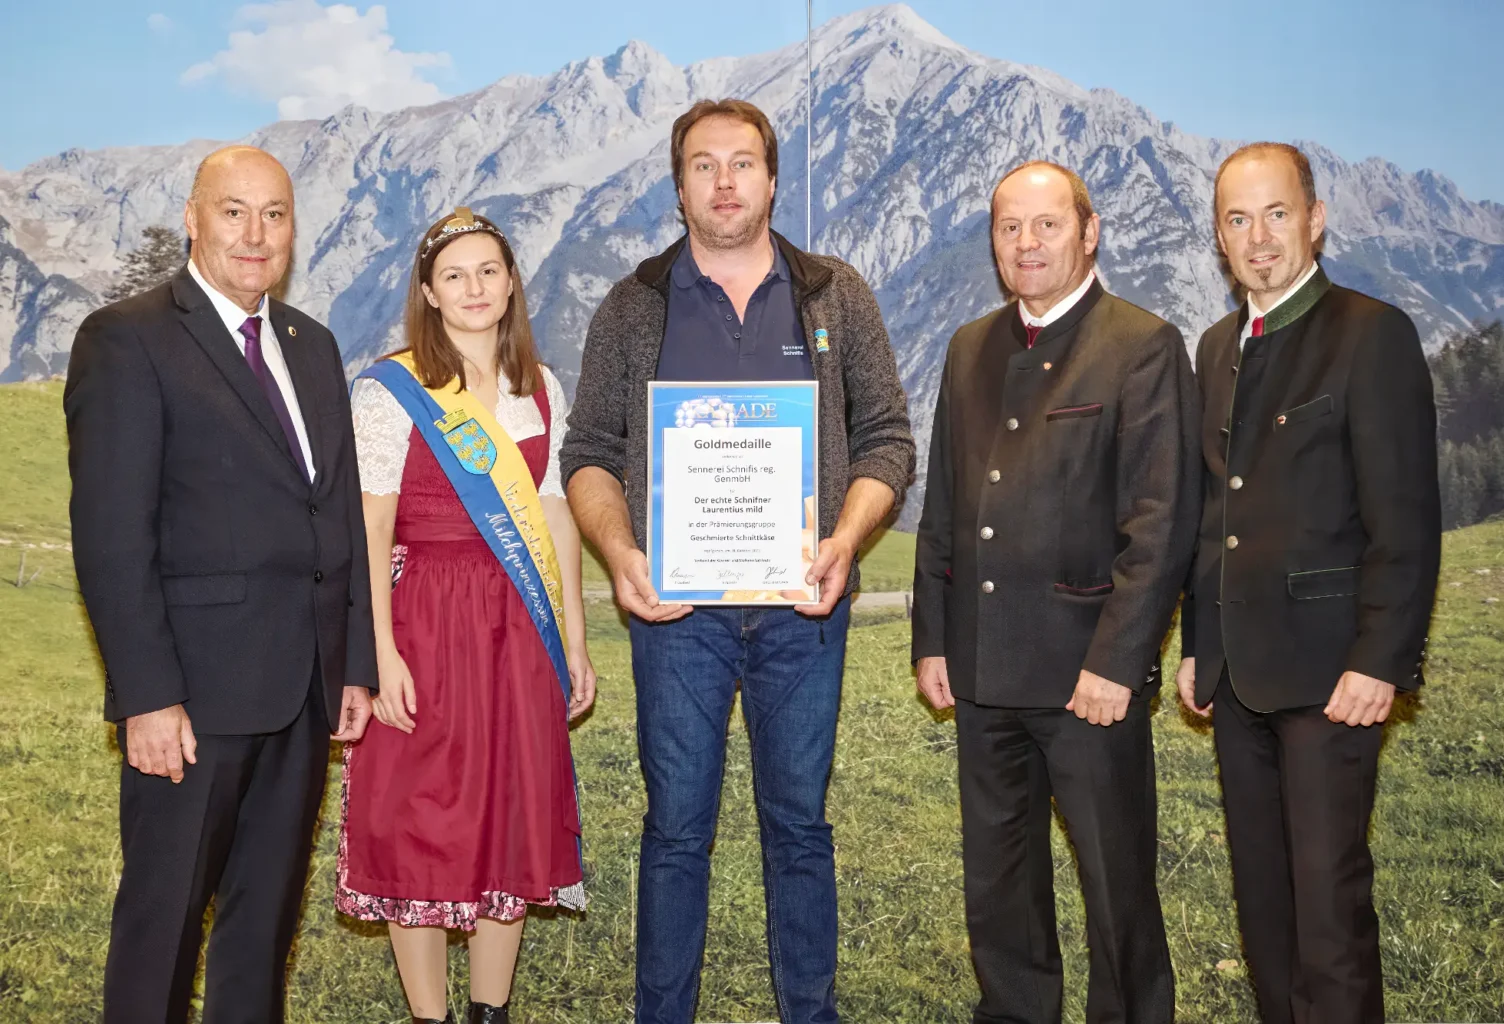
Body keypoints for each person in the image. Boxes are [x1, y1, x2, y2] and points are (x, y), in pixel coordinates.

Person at [560, 99, 914, 1024]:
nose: (725, 182)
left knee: (799, 829)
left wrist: (846, 538)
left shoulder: (835, 293)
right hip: (679, 618)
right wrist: (622, 550)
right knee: (676, 831)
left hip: (805, 610)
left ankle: (812, 1013)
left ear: (771, 177)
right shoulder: (633, 303)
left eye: (743, 163)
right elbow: (590, 450)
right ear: (679, 187)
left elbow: (886, 438)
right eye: (705, 165)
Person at [64, 145, 376, 1022]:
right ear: (194, 218)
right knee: (162, 929)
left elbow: (338, 514)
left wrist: (352, 663)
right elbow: (112, 540)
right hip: (192, 703)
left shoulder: (310, 345)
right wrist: (147, 697)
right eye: (234, 211)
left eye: (274, 214)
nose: (255, 233)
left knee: (262, 929)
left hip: (303, 695)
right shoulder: (127, 338)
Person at [912, 161, 1200, 1024]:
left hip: (1089, 680)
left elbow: (1162, 523)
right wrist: (933, 637)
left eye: (1045, 225)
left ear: (1089, 230)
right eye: (1009, 228)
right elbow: (946, 508)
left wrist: (1118, 662)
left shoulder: (1141, 345)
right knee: (998, 883)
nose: (1026, 244)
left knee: (1117, 891)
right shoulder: (970, 346)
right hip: (984, 668)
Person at [1175, 143, 1440, 1024]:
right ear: (1219, 238)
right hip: (1238, 679)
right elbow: (1215, 515)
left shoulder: (1373, 333)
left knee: (1329, 912)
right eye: (1238, 220)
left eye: (1276, 214)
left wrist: (1382, 660)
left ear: (1316, 218)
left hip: (1335, 680)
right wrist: (1198, 647)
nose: (1258, 239)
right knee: (1265, 910)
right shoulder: (1216, 349)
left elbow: (1404, 523)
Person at [335, 208, 595, 1024]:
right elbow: (372, 528)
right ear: (428, 292)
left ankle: (491, 1011)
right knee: (422, 814)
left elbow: (555, 518)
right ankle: (429, 1018)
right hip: (425, 619)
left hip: (519, 625)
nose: (474, 288)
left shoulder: (541, 388)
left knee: (510, 808)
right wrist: (378, 652)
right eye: (455, 275)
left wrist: (577, 642)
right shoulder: (391, 390)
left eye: (489, 271)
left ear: (512, 281)